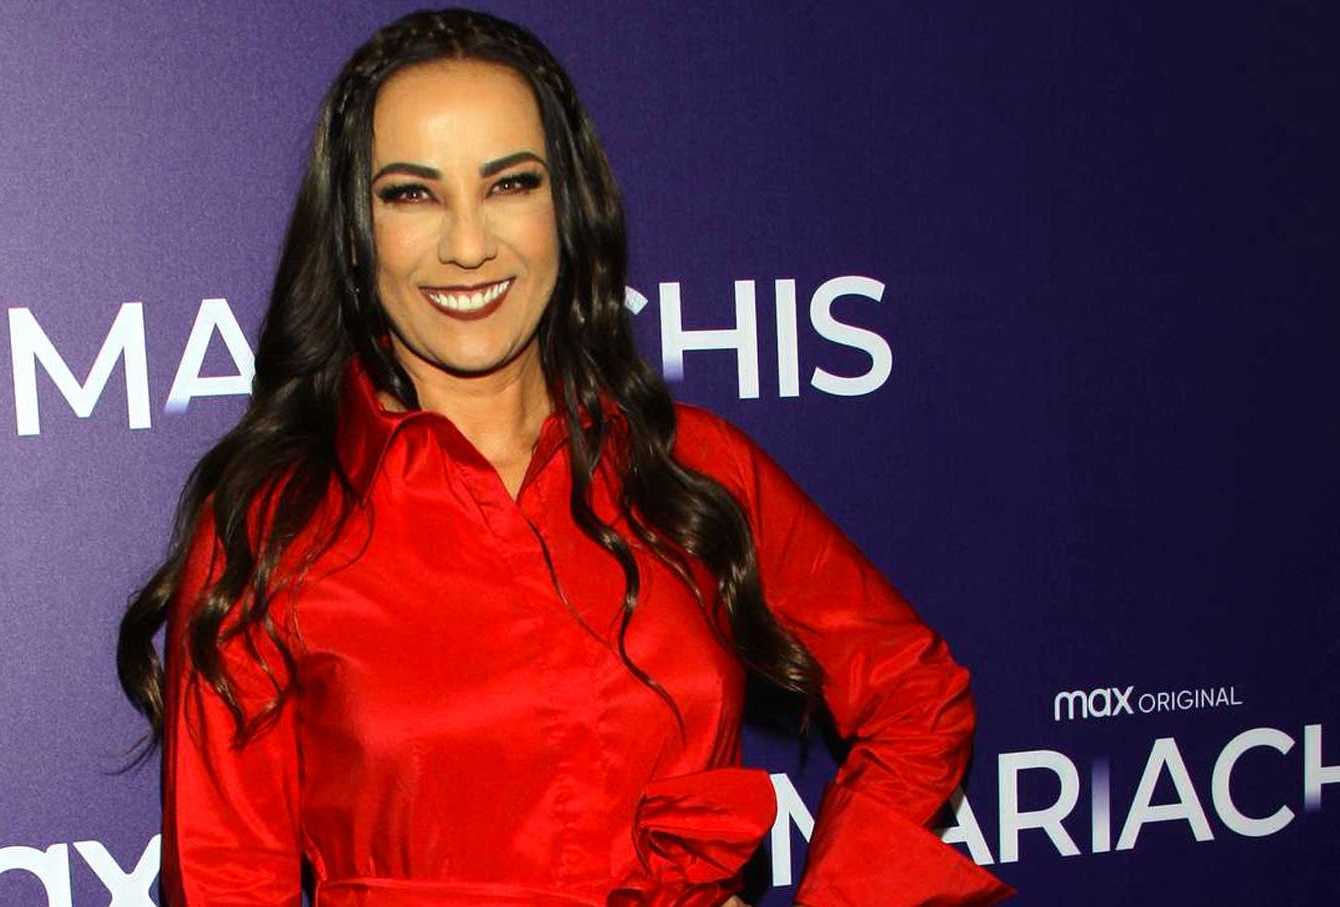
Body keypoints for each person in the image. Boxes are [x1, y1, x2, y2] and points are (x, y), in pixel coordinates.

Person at [117, 9, 1013, 906]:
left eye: (510, 184)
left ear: (568, 208)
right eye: (412, 194)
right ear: (354, 231)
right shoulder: (273, 525)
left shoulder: (692, 469)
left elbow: (914, 693)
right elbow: (227, 877)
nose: (469, 244)